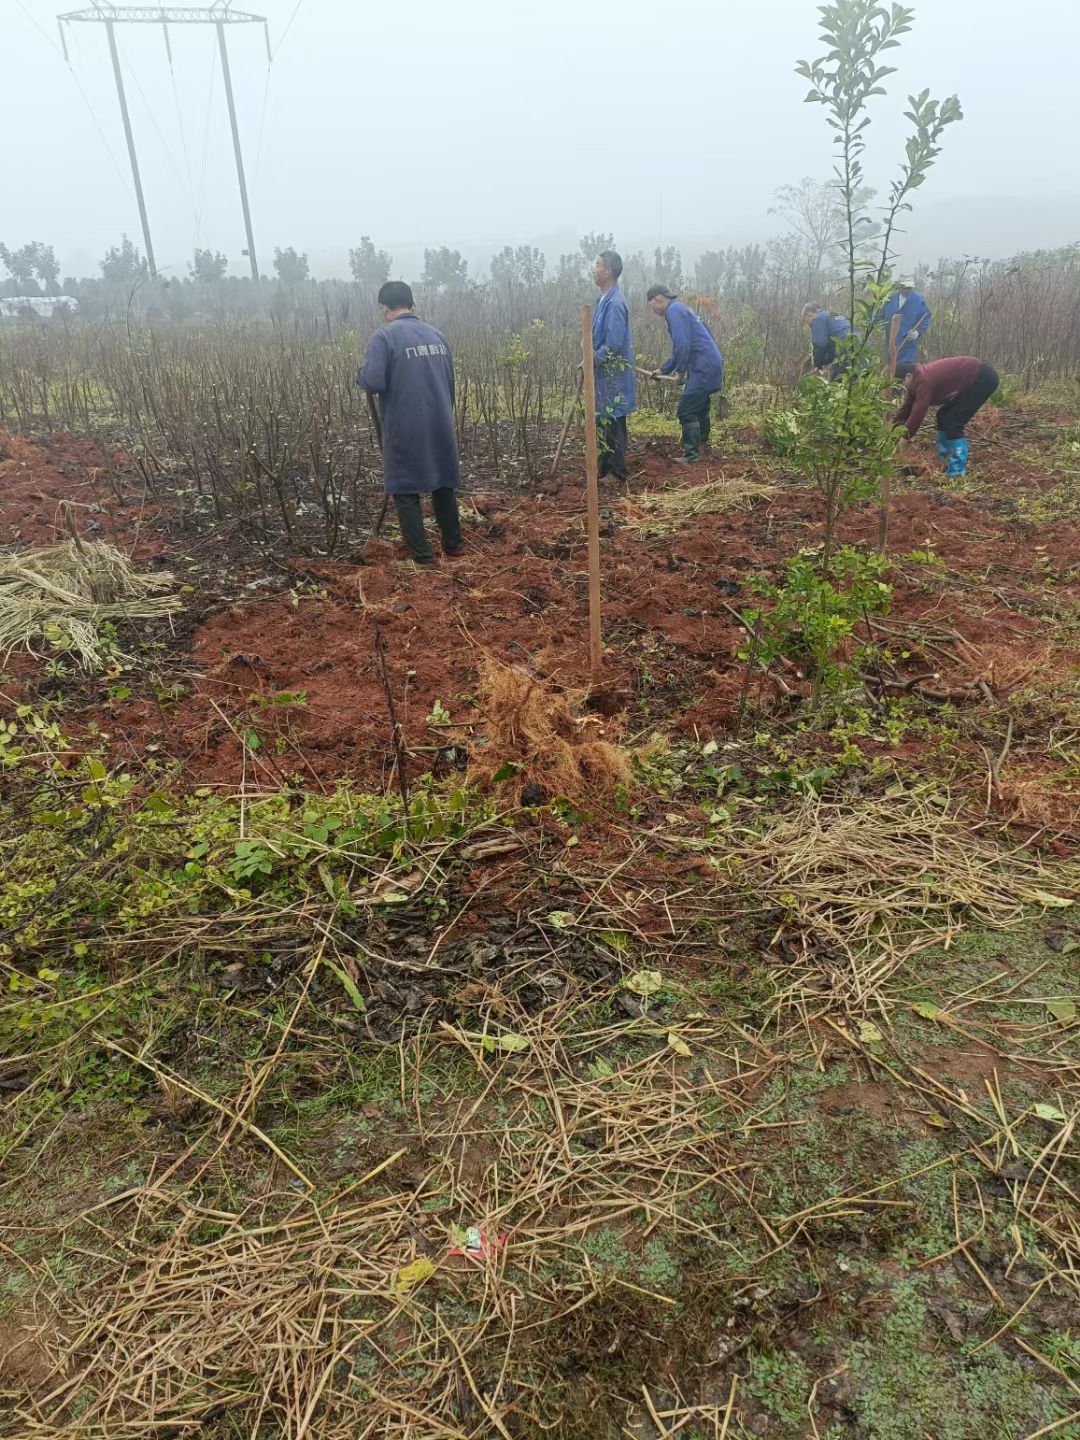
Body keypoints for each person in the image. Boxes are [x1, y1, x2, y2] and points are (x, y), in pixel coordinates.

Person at [356, 280, 463, 564]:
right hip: (440, 420)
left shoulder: (385, 337)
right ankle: (454, 546)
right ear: (413, 305)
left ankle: (422, 559)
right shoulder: (437, 336)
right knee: (442, 483)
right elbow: (451, 383)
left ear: (383, 307)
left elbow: (373, 380)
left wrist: (360, 374)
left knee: (405, 488)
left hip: (406, 425)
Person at [646, 286, 724, 462]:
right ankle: (703, 444)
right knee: (700, 404)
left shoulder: (673, 311)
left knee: (687, 409)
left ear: (658, 299)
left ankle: (691, 455)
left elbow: (683, 345)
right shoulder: (681, 308)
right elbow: (686, 345)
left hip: (703, 366)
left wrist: (680, 372)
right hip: (710, 362)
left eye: (652, 305)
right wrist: (664, 369)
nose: (653, 310)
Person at [893, 356, 999, 476]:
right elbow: (906, 410)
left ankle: (957, 470)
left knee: (953, 421)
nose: (901, 387)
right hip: (974, 379)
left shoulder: (924, 381)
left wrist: (903, 439)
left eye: (900, 383)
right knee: (943, 415)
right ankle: (944, 460)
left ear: (908, 377)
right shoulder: (916, 380)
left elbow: (917, 415)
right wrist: (891, 433)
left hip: (983, 378)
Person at [592, 250, 636, 479]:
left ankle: (616, 472)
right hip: (602, 375)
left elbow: (613, 344)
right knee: (603, 420)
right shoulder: (603, 299)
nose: (593, 269)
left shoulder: (616, 303)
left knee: (615, 420)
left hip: (613, 375)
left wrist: (594, 359)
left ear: (608, 271)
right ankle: (603, 469)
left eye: (597, 264)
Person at [881, 277, 931, 378]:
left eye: (909, 288)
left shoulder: (918, 300)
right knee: (889, 374)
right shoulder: (890, 299)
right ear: (899, 286)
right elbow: (880, 316)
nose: (907, 290)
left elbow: (926, 317)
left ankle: (901, 393)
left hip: (908, 345)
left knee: (903, 374)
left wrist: (917, 332)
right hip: (891, 344)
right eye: (904, 287)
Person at [802, 303, 851, 379]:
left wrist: (817, 365)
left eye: (808, 322)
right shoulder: (834, 316)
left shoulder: (818, 318)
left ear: (808, 315)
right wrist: (823, 362)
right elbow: (832, 351)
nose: (810, 326)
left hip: (846, 348)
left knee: (837, 383)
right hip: (862, 345)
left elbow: (820, 344)